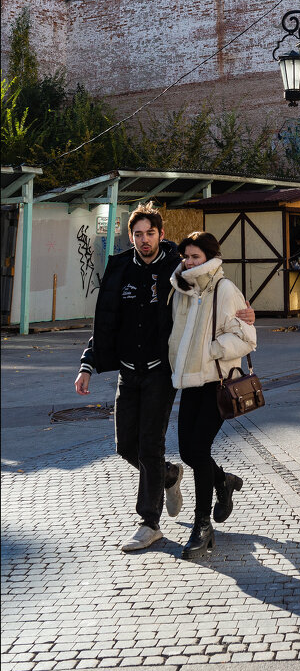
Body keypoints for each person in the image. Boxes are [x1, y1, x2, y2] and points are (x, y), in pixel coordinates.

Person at [74, 203, 255, 553]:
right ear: (130, 236)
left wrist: (248, 313)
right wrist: (87, 363)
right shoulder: (120, 269)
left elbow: (213, 287)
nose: (144, 240)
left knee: (151, 444)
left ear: (160, 234)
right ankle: (172, 475)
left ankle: (149, 522)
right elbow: (107, 322)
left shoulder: (176, 267)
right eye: (138, 234)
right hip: (128, 371)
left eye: (150, 233)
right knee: (126, 446)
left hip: (163, 371)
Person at [168, 231, 257, 560]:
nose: (189, 262)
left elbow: (247, 337)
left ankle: (202, 526)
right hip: (190, 382)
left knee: (197, 449)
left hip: (217, 383)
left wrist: (210, 350)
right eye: (186, 257)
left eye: (195, 257)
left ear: (210, 257)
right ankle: (224, 481)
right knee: (188, 452)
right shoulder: (181, 290)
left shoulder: (224, 289)